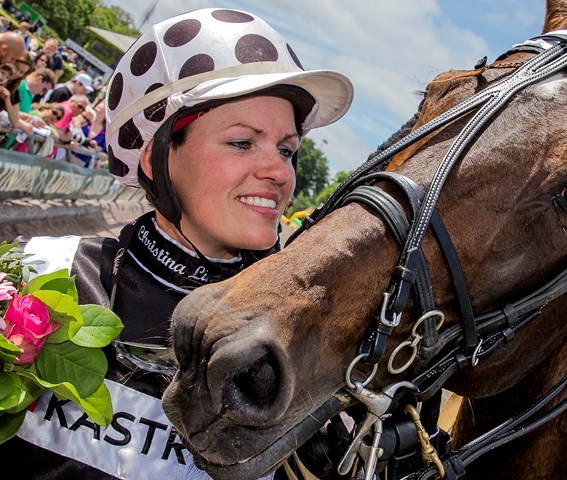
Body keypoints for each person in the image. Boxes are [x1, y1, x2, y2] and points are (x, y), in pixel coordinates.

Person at [0, 7, 353, 479]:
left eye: (286, 150)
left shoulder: (305, 345)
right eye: (242, 142)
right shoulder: (44, 270)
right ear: (156, 157)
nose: (279, 172)